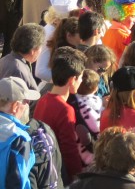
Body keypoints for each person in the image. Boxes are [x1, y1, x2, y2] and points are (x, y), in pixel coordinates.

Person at [33, 47, 87, 183]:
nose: (81, 81)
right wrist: (77, 176)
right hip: (57, 170)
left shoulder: (43, 99)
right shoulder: (65, 109)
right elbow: (69, 148)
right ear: (72, 79)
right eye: (80, 77)